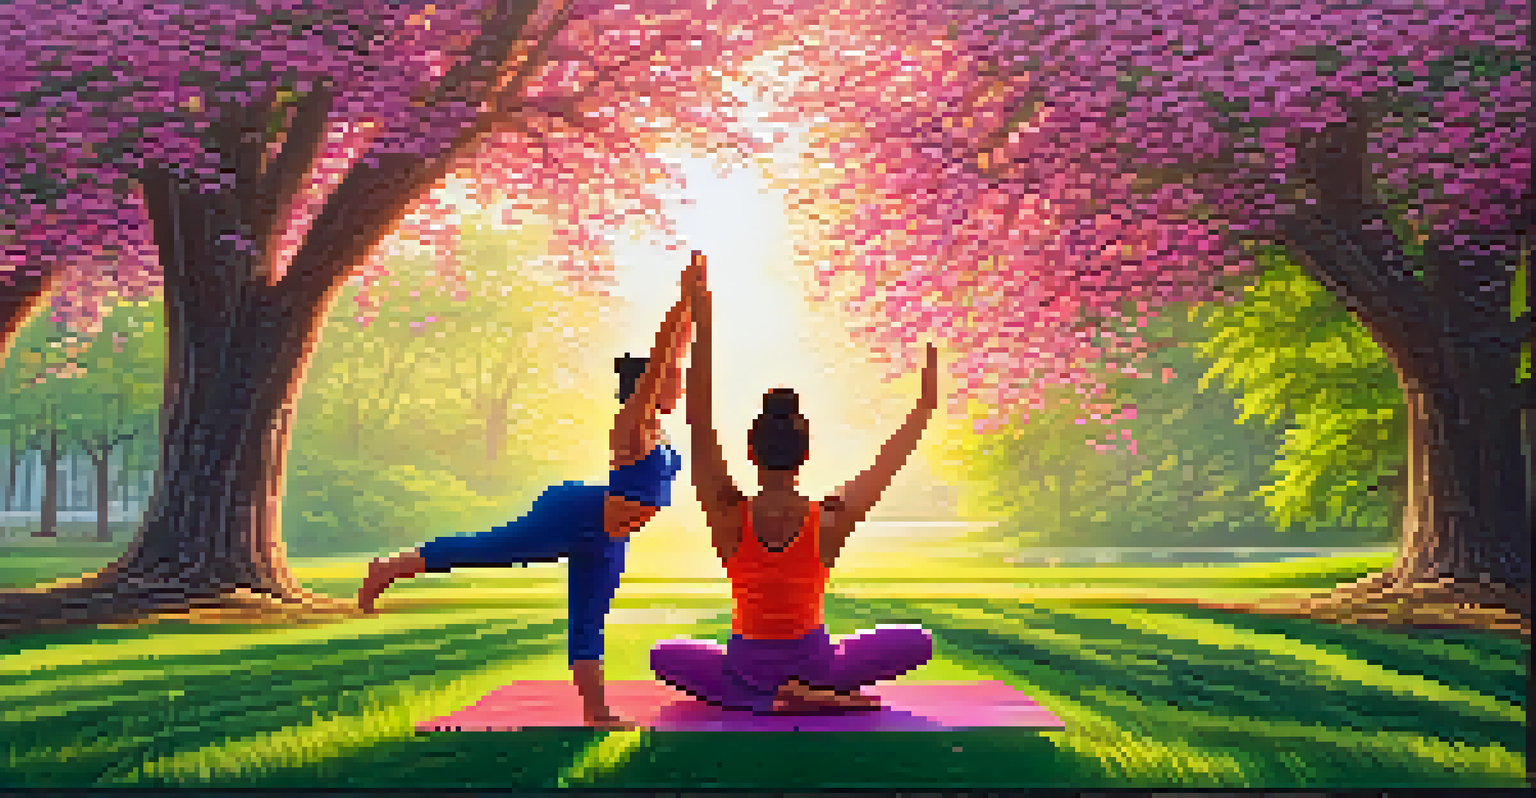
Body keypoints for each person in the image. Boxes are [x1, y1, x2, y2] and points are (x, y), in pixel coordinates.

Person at [357, 253, 703, 729]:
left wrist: (694, 308)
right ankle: (393, 566)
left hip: (605, 534)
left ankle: (596, 712)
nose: (679, 387)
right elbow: (666, 351)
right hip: (574, 514)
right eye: (671, 382)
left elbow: (675, 353)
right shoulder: (634, 426)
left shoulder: (660, 430)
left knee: (589, 618)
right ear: (647, 386)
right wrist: (682, 300)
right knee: (486, 550)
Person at [650, 261, 940, 714]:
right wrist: (924, 405)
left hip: (745, 666)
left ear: (751, 450)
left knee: (663, 656)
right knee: (917, 642)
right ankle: (814, 694)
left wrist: (700, 321)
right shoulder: (831, 516)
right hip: (818, 664)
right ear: (805, 454)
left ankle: (761, 697)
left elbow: (699, 419)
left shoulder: (727, 511)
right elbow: (890, 460)